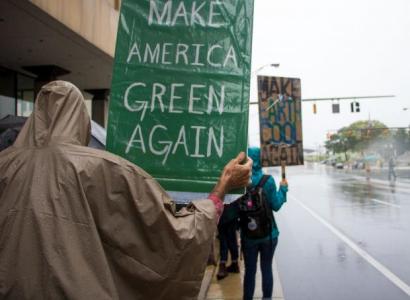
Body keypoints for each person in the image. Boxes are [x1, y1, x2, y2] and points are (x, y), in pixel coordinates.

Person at [0, 81, 252, 300]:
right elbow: (171, 233)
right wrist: (221, 189)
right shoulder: (98, 169)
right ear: (79, 118)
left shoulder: (5, 166)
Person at [242, 147, 288, 300]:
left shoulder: (241, 182)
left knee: (250, 271)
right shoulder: (267, 181)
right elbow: (276, 204)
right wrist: (283, 189)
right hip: (269, 235)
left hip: (248, 236)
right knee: (266, 268)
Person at [216, 203, 240, 280]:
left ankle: (223, 265)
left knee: (224, 239)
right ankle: (234, 263)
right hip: (232, 210)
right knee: (231, 238)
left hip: (224, 211)